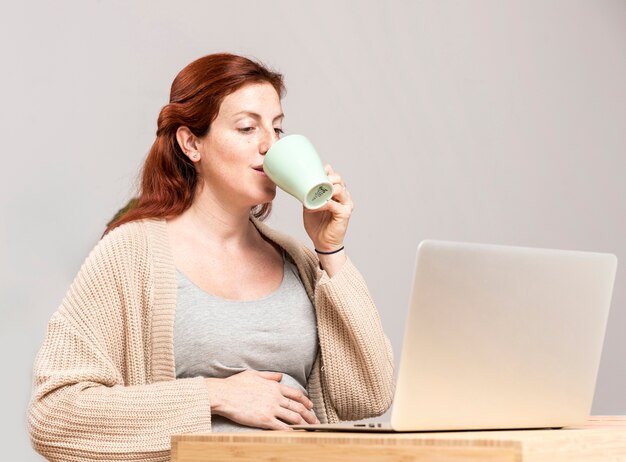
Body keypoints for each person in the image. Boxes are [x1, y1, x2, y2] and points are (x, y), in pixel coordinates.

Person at [28, 53, 394, 461]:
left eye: (276, 129)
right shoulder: (129, 254)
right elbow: (54, 415)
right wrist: (214, 396)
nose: (268, 146)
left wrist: (330, 249)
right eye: (246, 127)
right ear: (191, 143)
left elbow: (371, 393)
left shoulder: (298, 261)